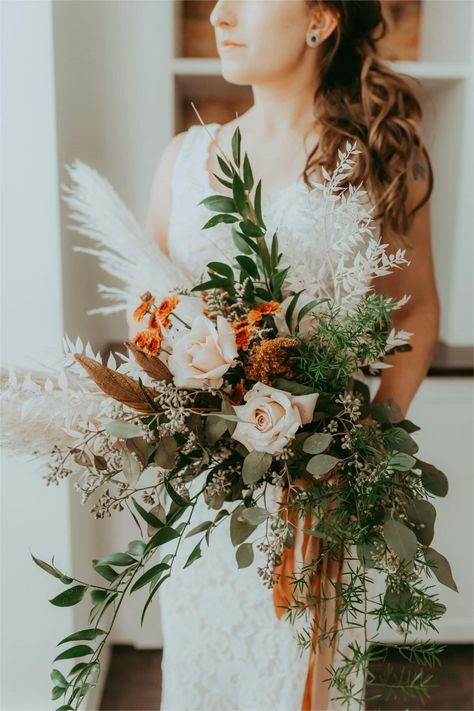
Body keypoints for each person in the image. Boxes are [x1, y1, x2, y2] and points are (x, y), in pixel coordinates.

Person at [136, 1, 440, 709]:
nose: (218, 14)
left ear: (320, 19)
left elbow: (417, 307)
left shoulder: (380, 159)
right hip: (208, 506)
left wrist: (365, 442)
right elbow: (145, 312)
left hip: (320, 504)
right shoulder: (184, 159)